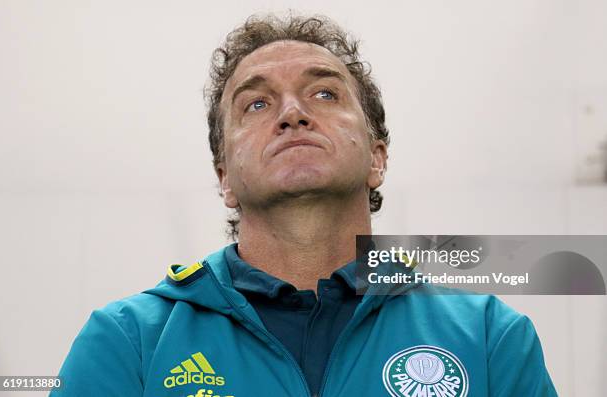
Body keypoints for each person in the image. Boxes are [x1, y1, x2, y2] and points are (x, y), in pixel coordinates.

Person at [52, 13, 558, 397]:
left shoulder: (490, 337)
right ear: (225, 178)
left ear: (377, 158)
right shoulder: (129, 341)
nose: (292, 114)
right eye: (256, 103)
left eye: (323, 93)